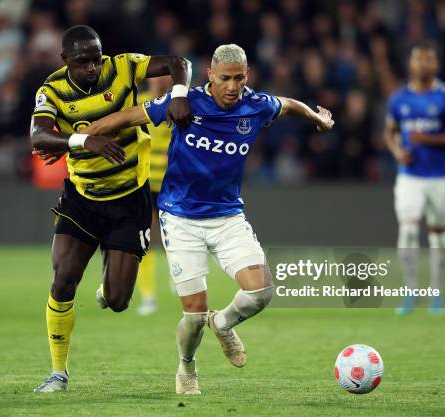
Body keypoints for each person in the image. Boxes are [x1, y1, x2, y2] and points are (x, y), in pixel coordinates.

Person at [80, 44, 334, 394]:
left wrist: (317, 117)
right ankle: (187, 368)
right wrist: (80, 137)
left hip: (228, 215)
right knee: (194, 315)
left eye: (240, 78)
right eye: (226, 78)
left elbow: (288, 105)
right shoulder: (187, 104)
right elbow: (130, 116)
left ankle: (224, 322)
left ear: (248, 76)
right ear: (210, 75)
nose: (233, 87)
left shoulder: (255, 105)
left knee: (261, 292)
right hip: (181, 217)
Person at [29, 25, 192, 393]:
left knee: (118, 301)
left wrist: (180, 93)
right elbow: (38, 137)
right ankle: (58, 373)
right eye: (83, 61)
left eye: (96, 58)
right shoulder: (51, 90)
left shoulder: (123, 67)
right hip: (82, 198)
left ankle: (110, 284)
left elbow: (178, 62)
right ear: (65, 60)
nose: (92, 67)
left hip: (128, 198)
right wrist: (87, 141)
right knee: (63, 279)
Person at [384, 42, 445, 315]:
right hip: (409, 176)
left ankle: (436, 292)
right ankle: (411, 290)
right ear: (411, 64)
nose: (423, 64)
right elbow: (390, 132)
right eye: (419, 59)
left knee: (439, 235)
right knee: (408, 229)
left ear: (436, 65)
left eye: (429, 60)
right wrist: (398, 152)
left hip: (440, 177)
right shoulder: (399, 99)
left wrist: (428, 139)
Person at [135, 76, 173, 316]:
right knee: (145, 237)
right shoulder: (138, 103)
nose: (164, 79)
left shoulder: (177, 104)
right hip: (145, 178)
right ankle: (148, 296)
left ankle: (179, 277)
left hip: (171, 179)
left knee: (176, 232)